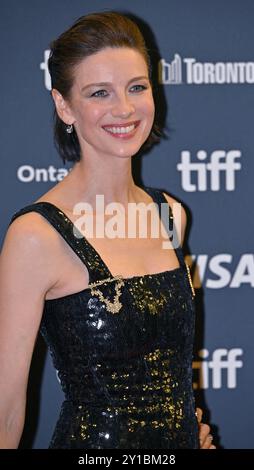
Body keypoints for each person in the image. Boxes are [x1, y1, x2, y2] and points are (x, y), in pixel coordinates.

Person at [0, 11, 215, 449]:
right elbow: (5, 410)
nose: (124, 108)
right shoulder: (37, 235)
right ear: (64, 106)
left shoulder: (170, 214)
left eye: (137, 87)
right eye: (100, 92)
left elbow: (168, 371)